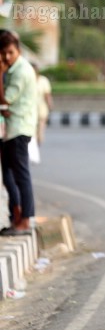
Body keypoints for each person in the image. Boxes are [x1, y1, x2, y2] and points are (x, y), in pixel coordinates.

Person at [0, 30, 39, 236]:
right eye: (3, 53)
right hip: (12, 129)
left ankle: (26, 219)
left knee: (21, 176)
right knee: (7, 174)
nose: (7, 57)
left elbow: (5, 100)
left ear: (18, 50)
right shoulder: (14, 69)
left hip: (19, 129)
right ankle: (16, 215)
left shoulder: (21, 71)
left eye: (10, 52)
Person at [34, 63, 53, 147]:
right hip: (31, 110)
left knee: (40, 131)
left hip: (41, 110)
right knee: (32, 132)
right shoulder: (29, 80)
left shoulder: (43, 80)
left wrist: (50, 105)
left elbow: (47, 95)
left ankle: (37, 146)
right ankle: (33, 148)